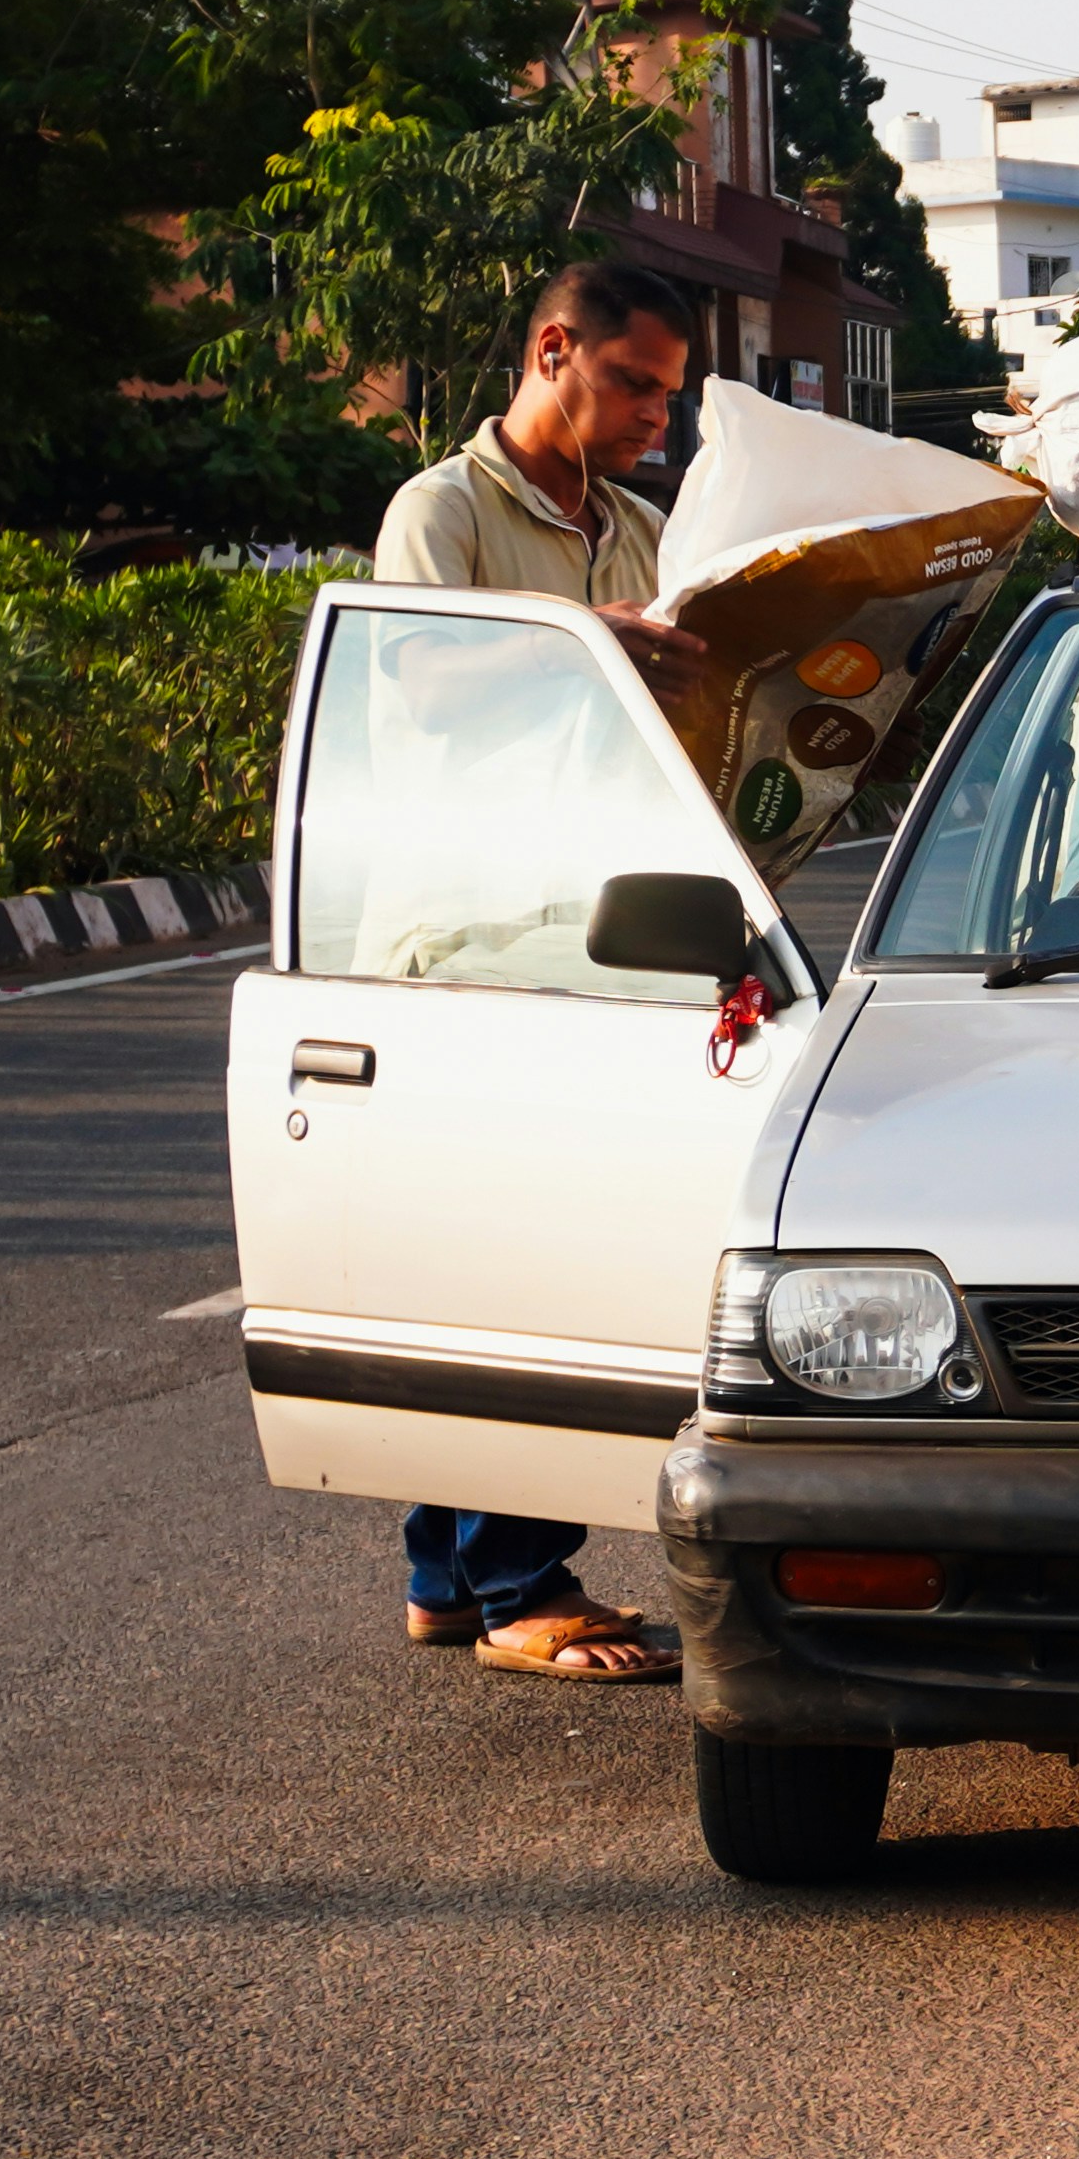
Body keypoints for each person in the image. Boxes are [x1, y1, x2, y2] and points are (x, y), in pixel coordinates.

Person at [364, 255, 705, 1684]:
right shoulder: (439, 512)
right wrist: (596, 648)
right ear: (554, 350)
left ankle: (450, 1574)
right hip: (464, 947)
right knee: (536, 1263)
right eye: (634, 385)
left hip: (604, 938)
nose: (653, 421)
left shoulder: (640, 527)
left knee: (489, 1264)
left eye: (670, 398)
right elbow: (427, 678)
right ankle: (522, 1584)